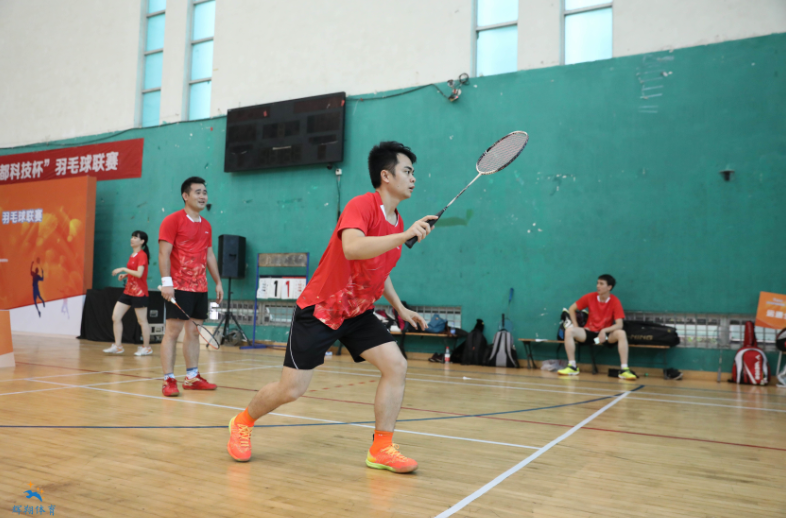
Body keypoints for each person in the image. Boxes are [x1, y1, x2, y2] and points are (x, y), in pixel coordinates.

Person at [227, 141, 436, 472]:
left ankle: (381, 448)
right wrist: (404, 236)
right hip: (321, 310)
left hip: (358, 313)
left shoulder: (397, 222)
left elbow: (379, 270)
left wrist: (400, 308)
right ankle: (242, 422)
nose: (414, 178)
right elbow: (353, 248)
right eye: (407, 171)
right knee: (292, 389)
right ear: (386, 176)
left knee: (396, 365)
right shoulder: (362, 205)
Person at [158, 176, 224, 397]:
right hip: (178, 287)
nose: (203, 196)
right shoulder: (172, 220)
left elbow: (209, 254)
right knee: (172, 332)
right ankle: (168, 380)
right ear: (185, 196)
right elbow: (164, 253)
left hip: (200, 288)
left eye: (205, 192)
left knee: (194, 332)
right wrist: (167, 283)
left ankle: (192, 377)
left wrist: (217, 281)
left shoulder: (206, 225)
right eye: (198, 192)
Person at [558, 274, 637, 380]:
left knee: (621, 333)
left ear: (609, 287)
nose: (598, 286)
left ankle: (624, 369)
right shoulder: (590, 297)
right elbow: (572, 308)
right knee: (569, 331)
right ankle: (572, 366)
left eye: (601, 284)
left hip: (604, 337)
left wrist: (604, 331)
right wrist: (577, 327)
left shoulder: (615, 301)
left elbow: (619, 324)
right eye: (597, 283)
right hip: (591, 335)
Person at [103, 231, 152, 356]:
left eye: (135, 237)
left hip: (139, 292)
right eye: (132, 237)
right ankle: (118, 346)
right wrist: (125, 275)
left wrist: (124, 269)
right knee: (116, 317)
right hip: (128, 291)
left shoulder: (142, 255)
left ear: (142, 241)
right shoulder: (133, 255)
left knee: (142, 321)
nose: (132, 239)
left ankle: (147, 347)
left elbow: (139, 274)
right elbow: (134, 271)